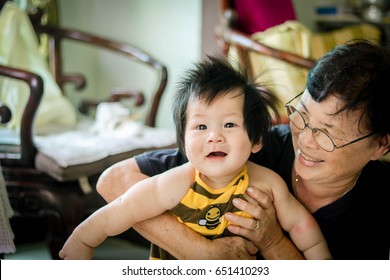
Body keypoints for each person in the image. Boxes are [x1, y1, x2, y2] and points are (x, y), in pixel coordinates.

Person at [97, 40, 390, 260]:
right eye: (302, 117)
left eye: (328, 134)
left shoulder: (378, 205)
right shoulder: (247, 145)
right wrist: (203, 254)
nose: (306, 141)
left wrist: (273, 241)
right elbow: (114, 180)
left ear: (380, 144)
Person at [59, 55, 331, 260]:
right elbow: (121, 209)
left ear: (257, 140)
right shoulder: (176, 183)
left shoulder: (266, 183)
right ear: (184, 143)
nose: (214, 137)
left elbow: (302, 226)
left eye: (229, 125)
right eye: (201, 127)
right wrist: (83, 241)